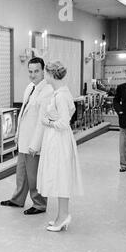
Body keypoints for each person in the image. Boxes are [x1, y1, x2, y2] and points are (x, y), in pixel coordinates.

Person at [0, 57, 53, 215]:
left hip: (34, 141)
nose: (33, 74)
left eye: (36, 71)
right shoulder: (30, 87)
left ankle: (40, 204)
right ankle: (17, 199)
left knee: (34, 174)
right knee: (21, 172)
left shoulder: (47, 91)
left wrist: (35, 144)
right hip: (24, 137)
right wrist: (17, 133)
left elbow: (42, 121)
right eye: (30, 71)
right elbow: (23, 112)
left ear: (43, 71)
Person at [37, 61, 83, 232]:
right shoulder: (60, 93)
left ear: (50, 74)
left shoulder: (61, 95)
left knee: (60, 177)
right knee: (59, 177)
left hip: (59, 139)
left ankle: (63, 216)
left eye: (45, 73)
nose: (44, 76)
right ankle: (61, 216)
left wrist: (47, 121)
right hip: (56, 139)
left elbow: (64, 122)